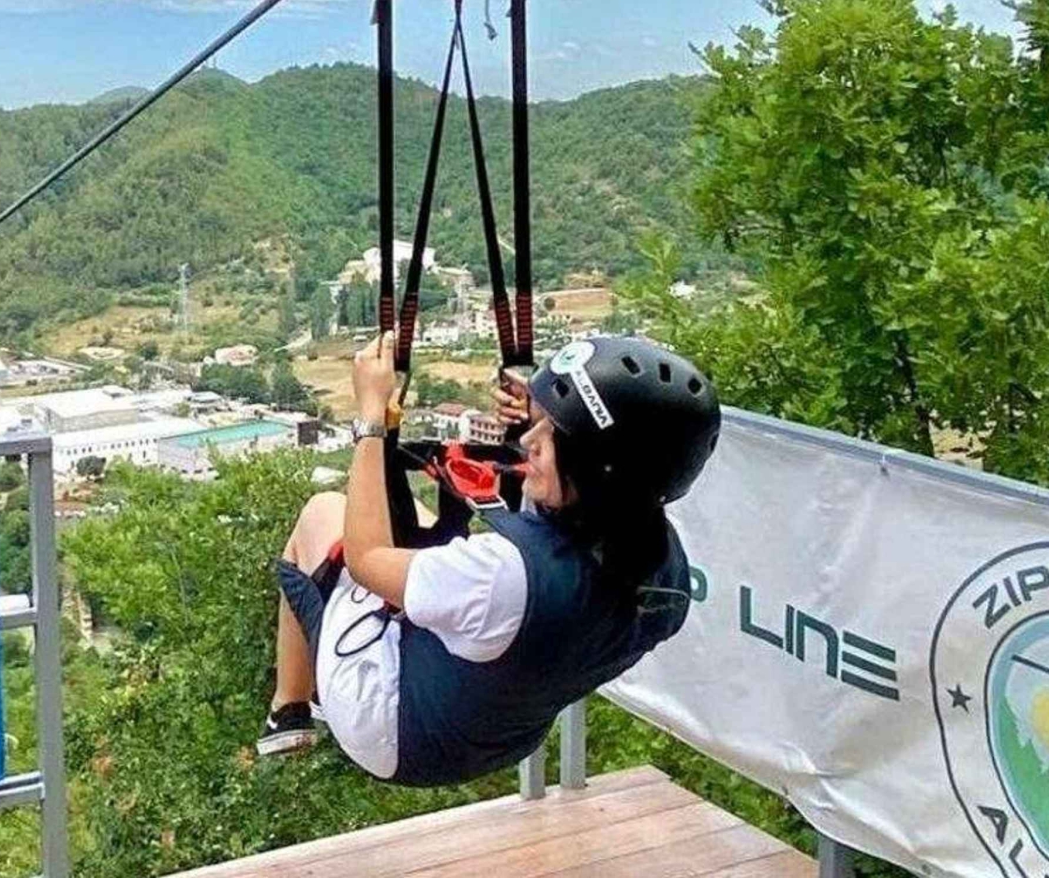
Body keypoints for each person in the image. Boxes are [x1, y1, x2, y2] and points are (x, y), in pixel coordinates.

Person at [257, 333, 720, 786]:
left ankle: (290, 707)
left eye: (552, 434)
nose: (530, 442)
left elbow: (368, 558)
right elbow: (562, 559)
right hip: (501, 735)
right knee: (417, 544)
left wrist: (371, 419)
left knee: (323, 513)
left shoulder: (502, 574)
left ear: (598, 469)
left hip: (390, 731)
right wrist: (539, 420)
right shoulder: (666, 579)